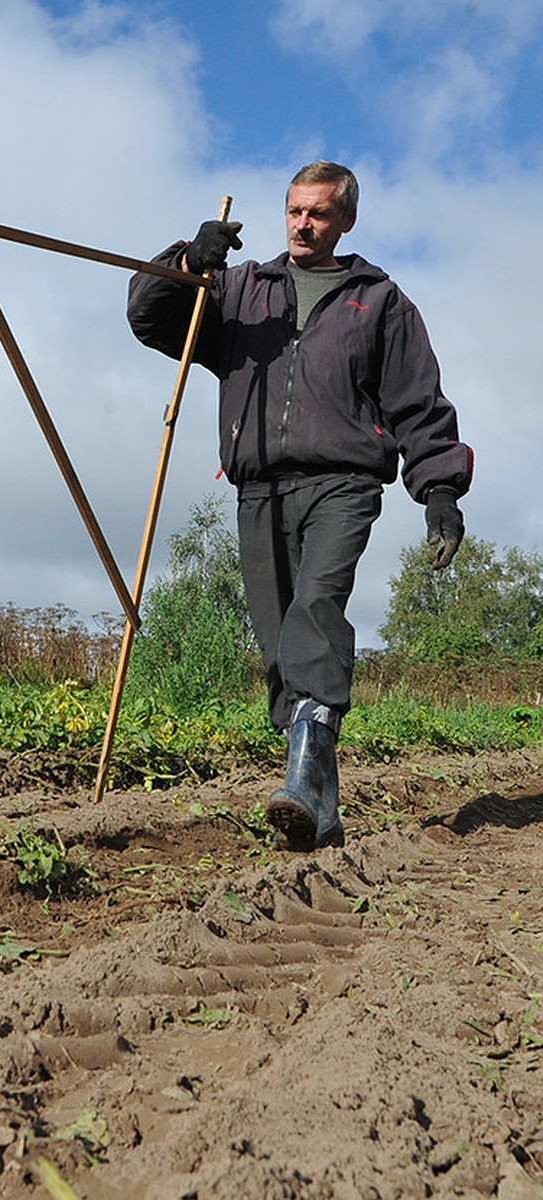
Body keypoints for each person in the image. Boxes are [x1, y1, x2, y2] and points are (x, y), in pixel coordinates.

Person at [126, 161, 472, 850]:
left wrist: (439, 492)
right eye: (293, 211)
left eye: (317, 213)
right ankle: (318, 798)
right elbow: (149, 315)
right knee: (279, 640)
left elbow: (417, 404)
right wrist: (191, 259)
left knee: (317, 606)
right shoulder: (240, 291)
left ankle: (305, 779)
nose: (302, 224)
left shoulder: (379, 301)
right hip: (258, 486)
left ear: (345, 219)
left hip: (343, 483)